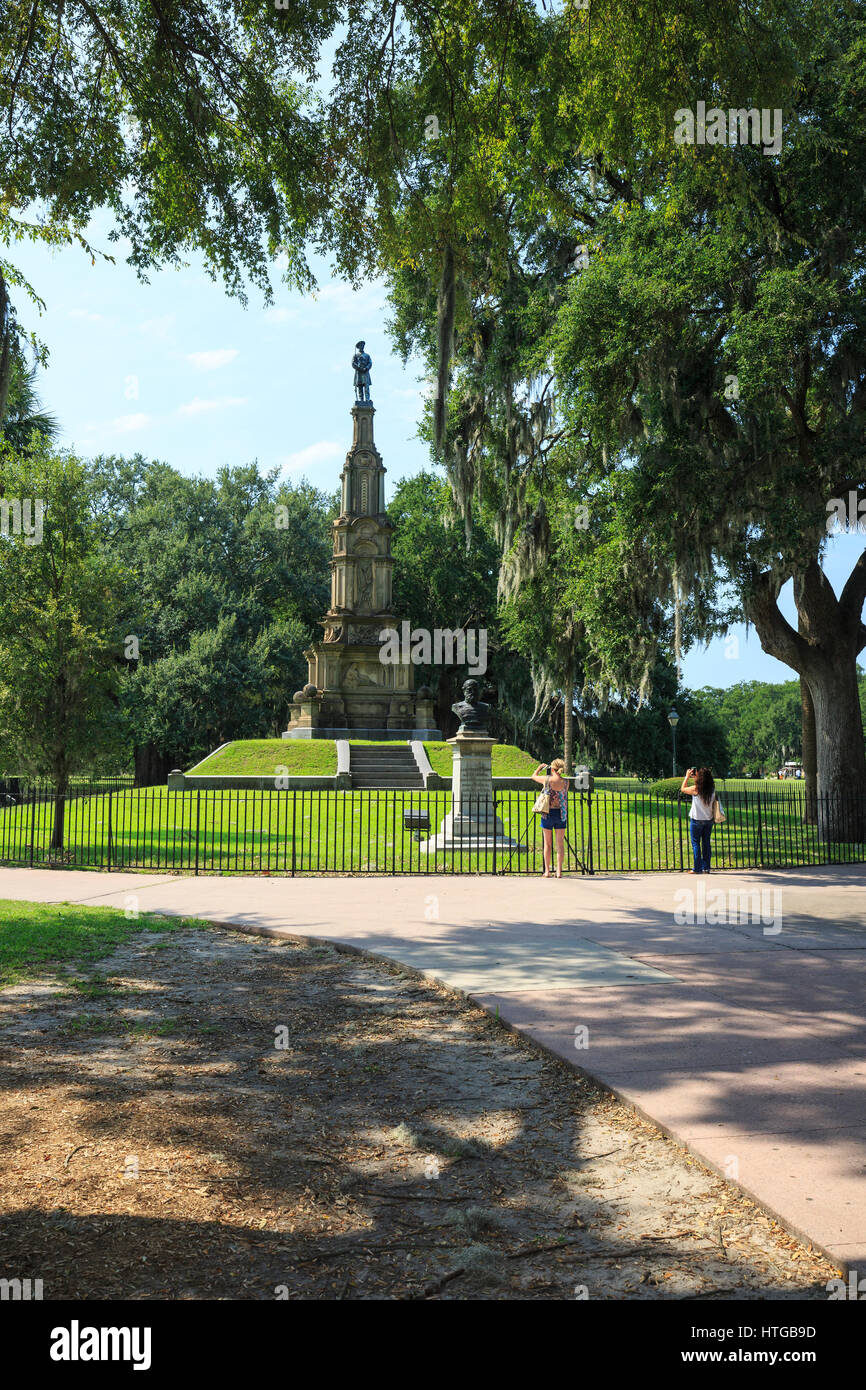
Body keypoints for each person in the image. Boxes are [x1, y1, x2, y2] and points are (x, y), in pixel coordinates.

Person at [532, 757, 569, 878]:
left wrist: (539, 768)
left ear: (552, 768)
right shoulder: (566, 782)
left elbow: (533, 776)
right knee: (560, 844)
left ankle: (547, 871)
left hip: (547, 813)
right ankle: (559, 871)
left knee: (547, 843)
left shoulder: (547, 780)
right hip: (561, 814)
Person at [679, 766, 718, 874]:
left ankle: (697, 868)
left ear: (700, 778)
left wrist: (687, 777)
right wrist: (696, 777)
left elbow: (683, 789)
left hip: (697, 820)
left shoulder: (696, 788)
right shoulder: (712, 790)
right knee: (706, 844)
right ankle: (706, 867)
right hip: (708, 820)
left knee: (696, 844)